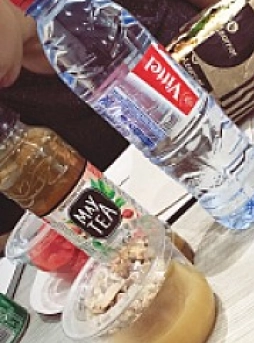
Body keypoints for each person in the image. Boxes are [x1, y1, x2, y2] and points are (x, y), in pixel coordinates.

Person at [0, 0, 217, 253]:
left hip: (239, 136)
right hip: (170, 233)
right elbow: (15, 237)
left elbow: (245, 11)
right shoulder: (8, 114)